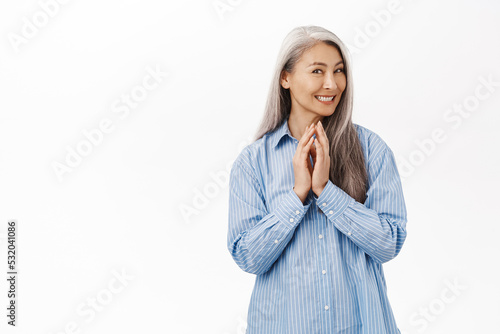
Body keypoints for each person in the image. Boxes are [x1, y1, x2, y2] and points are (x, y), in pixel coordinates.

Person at [227, 25, 408, 334]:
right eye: (317, 71)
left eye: (339, 71)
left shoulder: (372, 150)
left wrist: (326, 191)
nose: (332, 83)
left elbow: (388, 243)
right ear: (285, 78)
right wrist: (297, 195)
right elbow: (248, 257)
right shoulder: (252, 163)